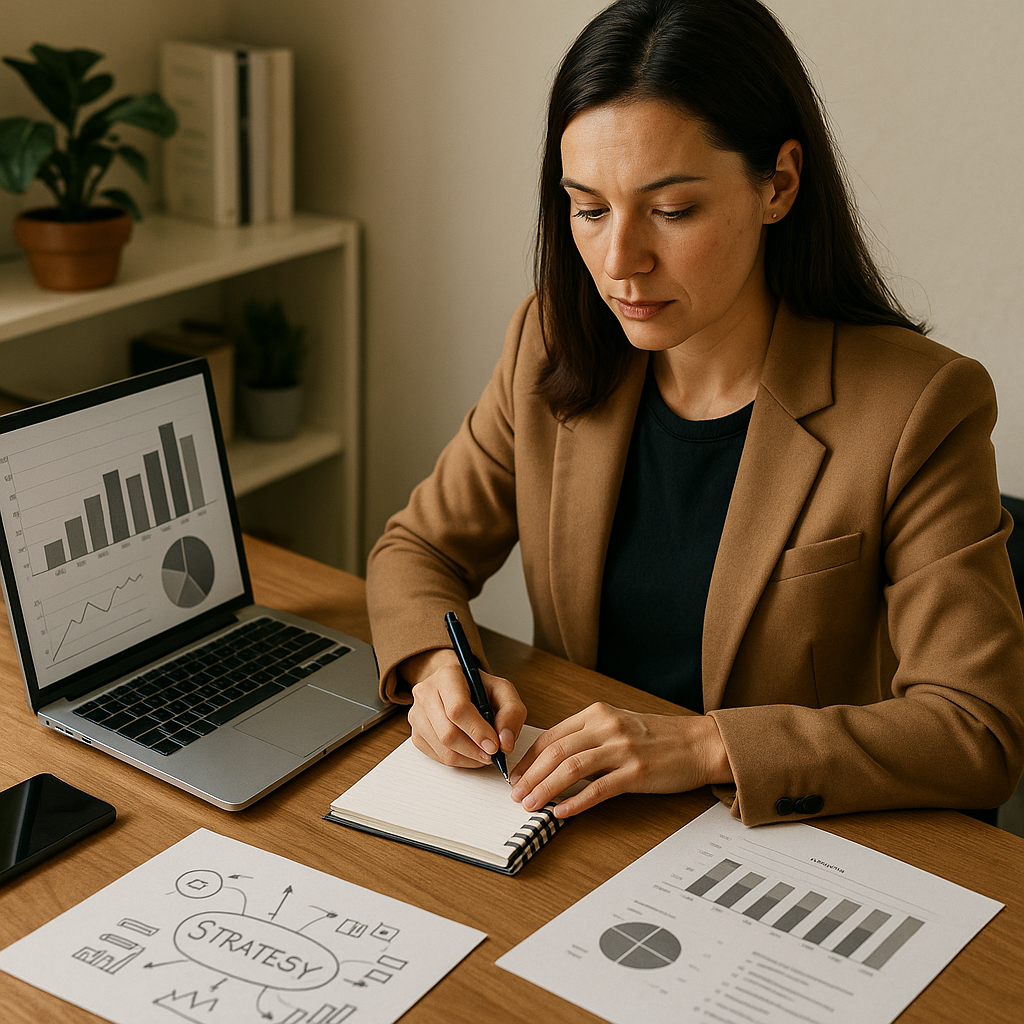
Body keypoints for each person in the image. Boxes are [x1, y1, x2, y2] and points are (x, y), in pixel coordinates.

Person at [365, 0, 1024, 827]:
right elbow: (418, 547)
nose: (619, 262)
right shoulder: (552, 341)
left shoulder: (918, 408)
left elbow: (977, 729)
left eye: (672, 212)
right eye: (589, 209)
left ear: (777, 186)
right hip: (577, 826)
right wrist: (435, 668)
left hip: (789, 847)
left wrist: (707, 746)